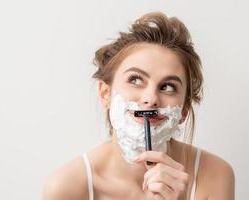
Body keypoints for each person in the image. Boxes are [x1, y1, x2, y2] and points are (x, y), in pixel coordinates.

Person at [43, 12, 235, 200]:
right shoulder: (65, 187)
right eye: (135, 79)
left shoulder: (216, 176)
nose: (151, 99)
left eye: (168, 87)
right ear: (105, 93)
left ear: (183, 111)